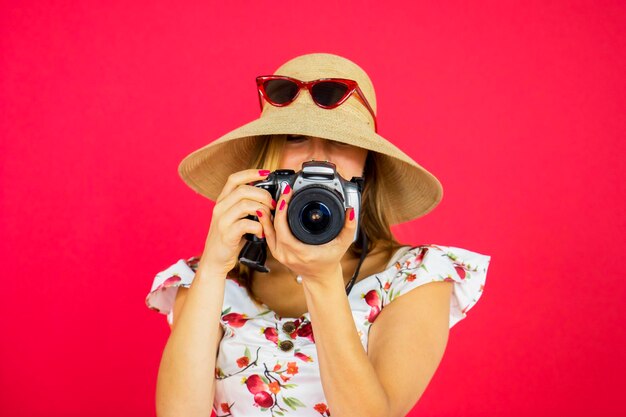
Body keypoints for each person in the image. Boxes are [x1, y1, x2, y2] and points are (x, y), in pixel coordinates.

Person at [145, 52, 491, 417]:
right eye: (295, 138)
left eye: (339, 140)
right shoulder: (209, 278)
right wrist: (214, 268)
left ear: (367, 164)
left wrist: (322, 279)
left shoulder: (415, 277)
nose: (317, 159)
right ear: (268, 163)